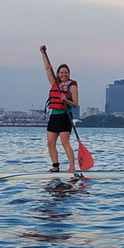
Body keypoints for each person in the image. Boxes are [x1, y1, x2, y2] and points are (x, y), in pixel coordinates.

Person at [40, 45, 79, 173]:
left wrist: (66, 100)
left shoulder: (72, 86)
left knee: (64, 143)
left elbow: (75, 104)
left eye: (66, 73)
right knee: (50, 143)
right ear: (58, 74)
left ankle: (72, 167)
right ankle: (55, 166)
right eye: (61, 73)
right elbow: (47, 68)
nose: (64, 75)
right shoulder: (54, 83)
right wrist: (43, 53)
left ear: (69, 74)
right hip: (54, 116)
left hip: (65, 116)